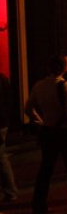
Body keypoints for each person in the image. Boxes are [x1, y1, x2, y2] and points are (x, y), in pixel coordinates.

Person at [25, 56, 67, 214]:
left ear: (48, 68)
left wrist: (40, 121)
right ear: (64, 69)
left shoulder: (39, 86)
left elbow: (28, 108)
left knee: (46, 169)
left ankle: (38, 203)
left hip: (48, 131)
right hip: (65, 132)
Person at [0, 73, 17, 203]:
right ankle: (10, 191)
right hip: (2, 122)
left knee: (1, 157)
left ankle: (10, 191)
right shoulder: (3, 79)